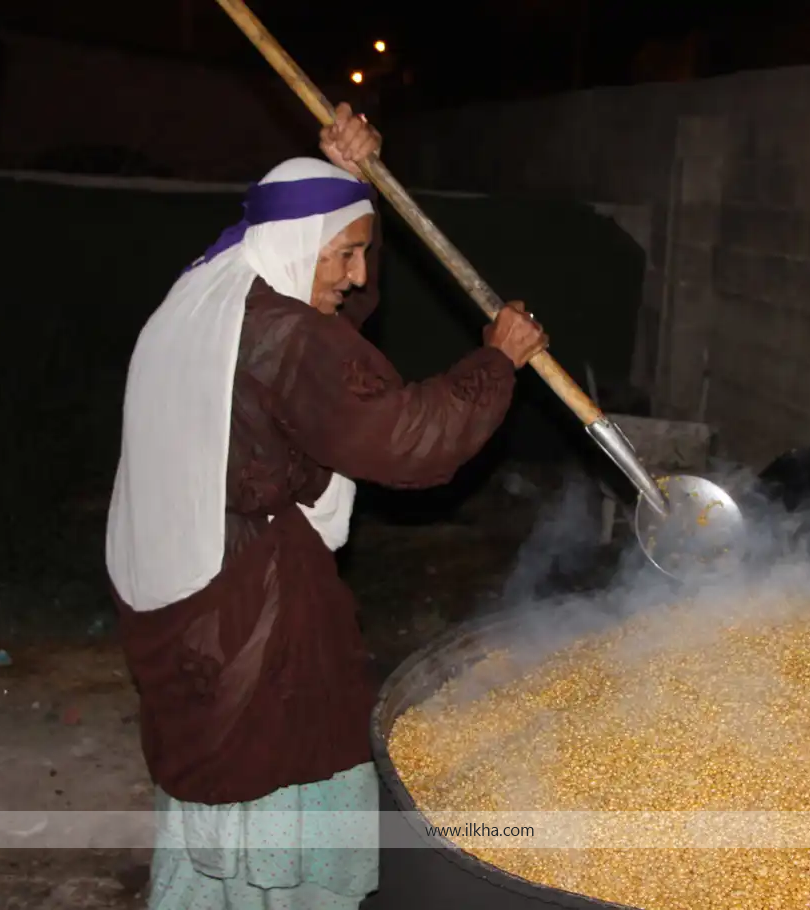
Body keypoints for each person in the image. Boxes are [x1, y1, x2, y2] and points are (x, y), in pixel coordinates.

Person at [104, 104, 547, 910]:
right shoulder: (282, 337)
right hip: (250, 608)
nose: (352, 274)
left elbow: (330, 321)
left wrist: (353, 181)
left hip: (178, 588)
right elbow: (406, 438)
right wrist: (496, 363)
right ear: (301, 244)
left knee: (218, 767)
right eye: (344, 254)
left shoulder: (212, 288)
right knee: (287, 748)